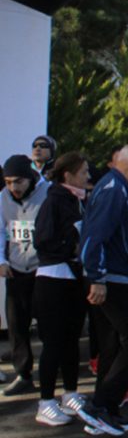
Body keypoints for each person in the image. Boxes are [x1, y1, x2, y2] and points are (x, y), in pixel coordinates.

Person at [76, 142, 128, 437]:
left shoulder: (116, 187)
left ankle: (106, 410)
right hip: (110, 278)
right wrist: (96, 277)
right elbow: (94, 236)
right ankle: (100, 405)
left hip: (116, 276)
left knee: (114, 344)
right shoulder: (114, 189)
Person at [31, 152, 89, 426]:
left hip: (73, 278)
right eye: (83, 172)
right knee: (53, 342)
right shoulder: (54, 201)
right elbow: (42, 241)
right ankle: (45, 402)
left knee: (71, 339)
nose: (88, 176)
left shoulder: (78, 201)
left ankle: (70, 393)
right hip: (52, 278)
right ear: (68, 175)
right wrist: (70, 248)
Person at [0, 154, 49, 396]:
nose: (13, 188)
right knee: (17, 324)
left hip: (43, 268)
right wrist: (1, 260)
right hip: (16, 268)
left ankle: (52, 368)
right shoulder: (3, 198)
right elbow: (1, 231)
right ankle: (23, 373)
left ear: (30, 178)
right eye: (8, 182)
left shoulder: (48, 194)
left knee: (48, 323)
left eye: (18, 181)